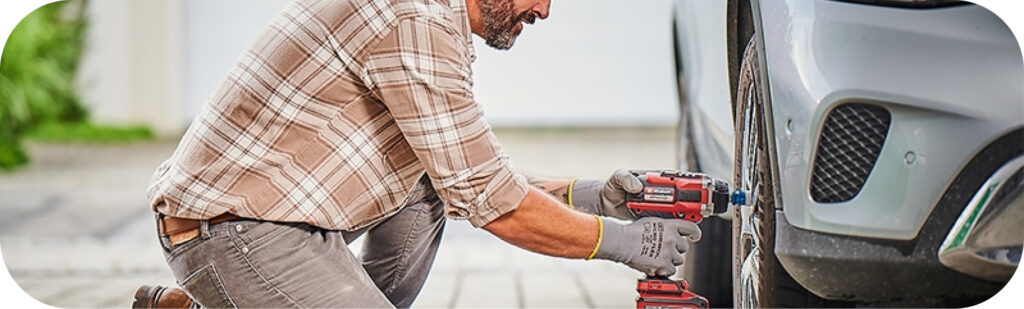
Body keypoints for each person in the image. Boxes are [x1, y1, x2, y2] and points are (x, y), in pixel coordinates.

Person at [133, 0, 701, 308]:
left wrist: (590, 196)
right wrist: (620, 242)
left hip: (277, 224)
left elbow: (463, 171)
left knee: (426, 184)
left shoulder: (432, 16)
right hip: (232, 230)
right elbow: (494, 203)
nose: (546, 10)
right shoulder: (417, 18)